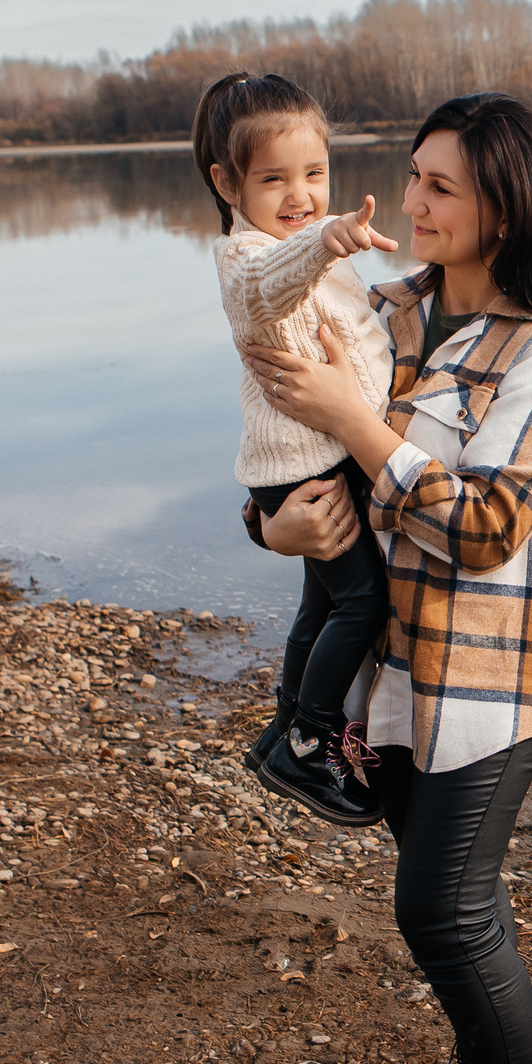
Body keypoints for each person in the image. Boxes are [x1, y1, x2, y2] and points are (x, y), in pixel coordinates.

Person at [245, 91, 532, 1064]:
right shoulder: (383, 309)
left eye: (440, 187)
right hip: (392, 667)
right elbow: (281, 448)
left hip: (496, 666)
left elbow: (493, 526)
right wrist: (275, 535)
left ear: (507, 202)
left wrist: (361, 423)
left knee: (439, 907)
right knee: (447, 903)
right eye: (411, 179)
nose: (412, 203)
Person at [196, 71, 397, 827]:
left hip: (313, 463)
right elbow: (277, 281)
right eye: (273, 178)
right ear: (227, 182)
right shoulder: (248, 260)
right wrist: (325, 236)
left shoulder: (315, 256)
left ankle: (286, 724)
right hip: (302, 470)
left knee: (321, 605)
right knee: (365, 598)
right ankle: (311, 739)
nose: (300, 195)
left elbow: (360, 330)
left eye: (314, 175)